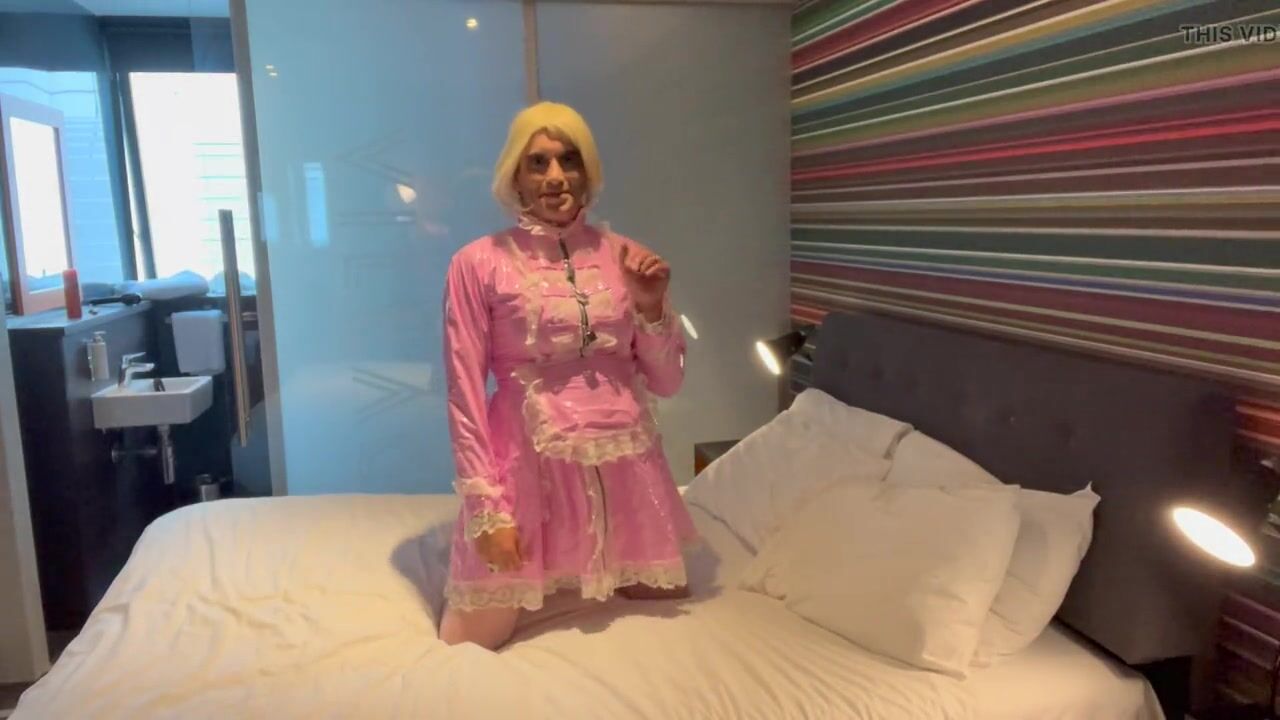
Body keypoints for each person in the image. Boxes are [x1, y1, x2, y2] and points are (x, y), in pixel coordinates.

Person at [438, 101, 699, 650]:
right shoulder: (477, 262)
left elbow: (668, 383)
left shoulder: (626, 256)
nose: (555, 177)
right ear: (515, 175)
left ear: (588, 171)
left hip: (627, 471)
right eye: (538, 163)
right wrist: (486, 510)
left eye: (569, 160)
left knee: (666, 607)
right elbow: (464, 391)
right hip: (525, 469)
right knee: (466, 642)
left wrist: (651, 307)